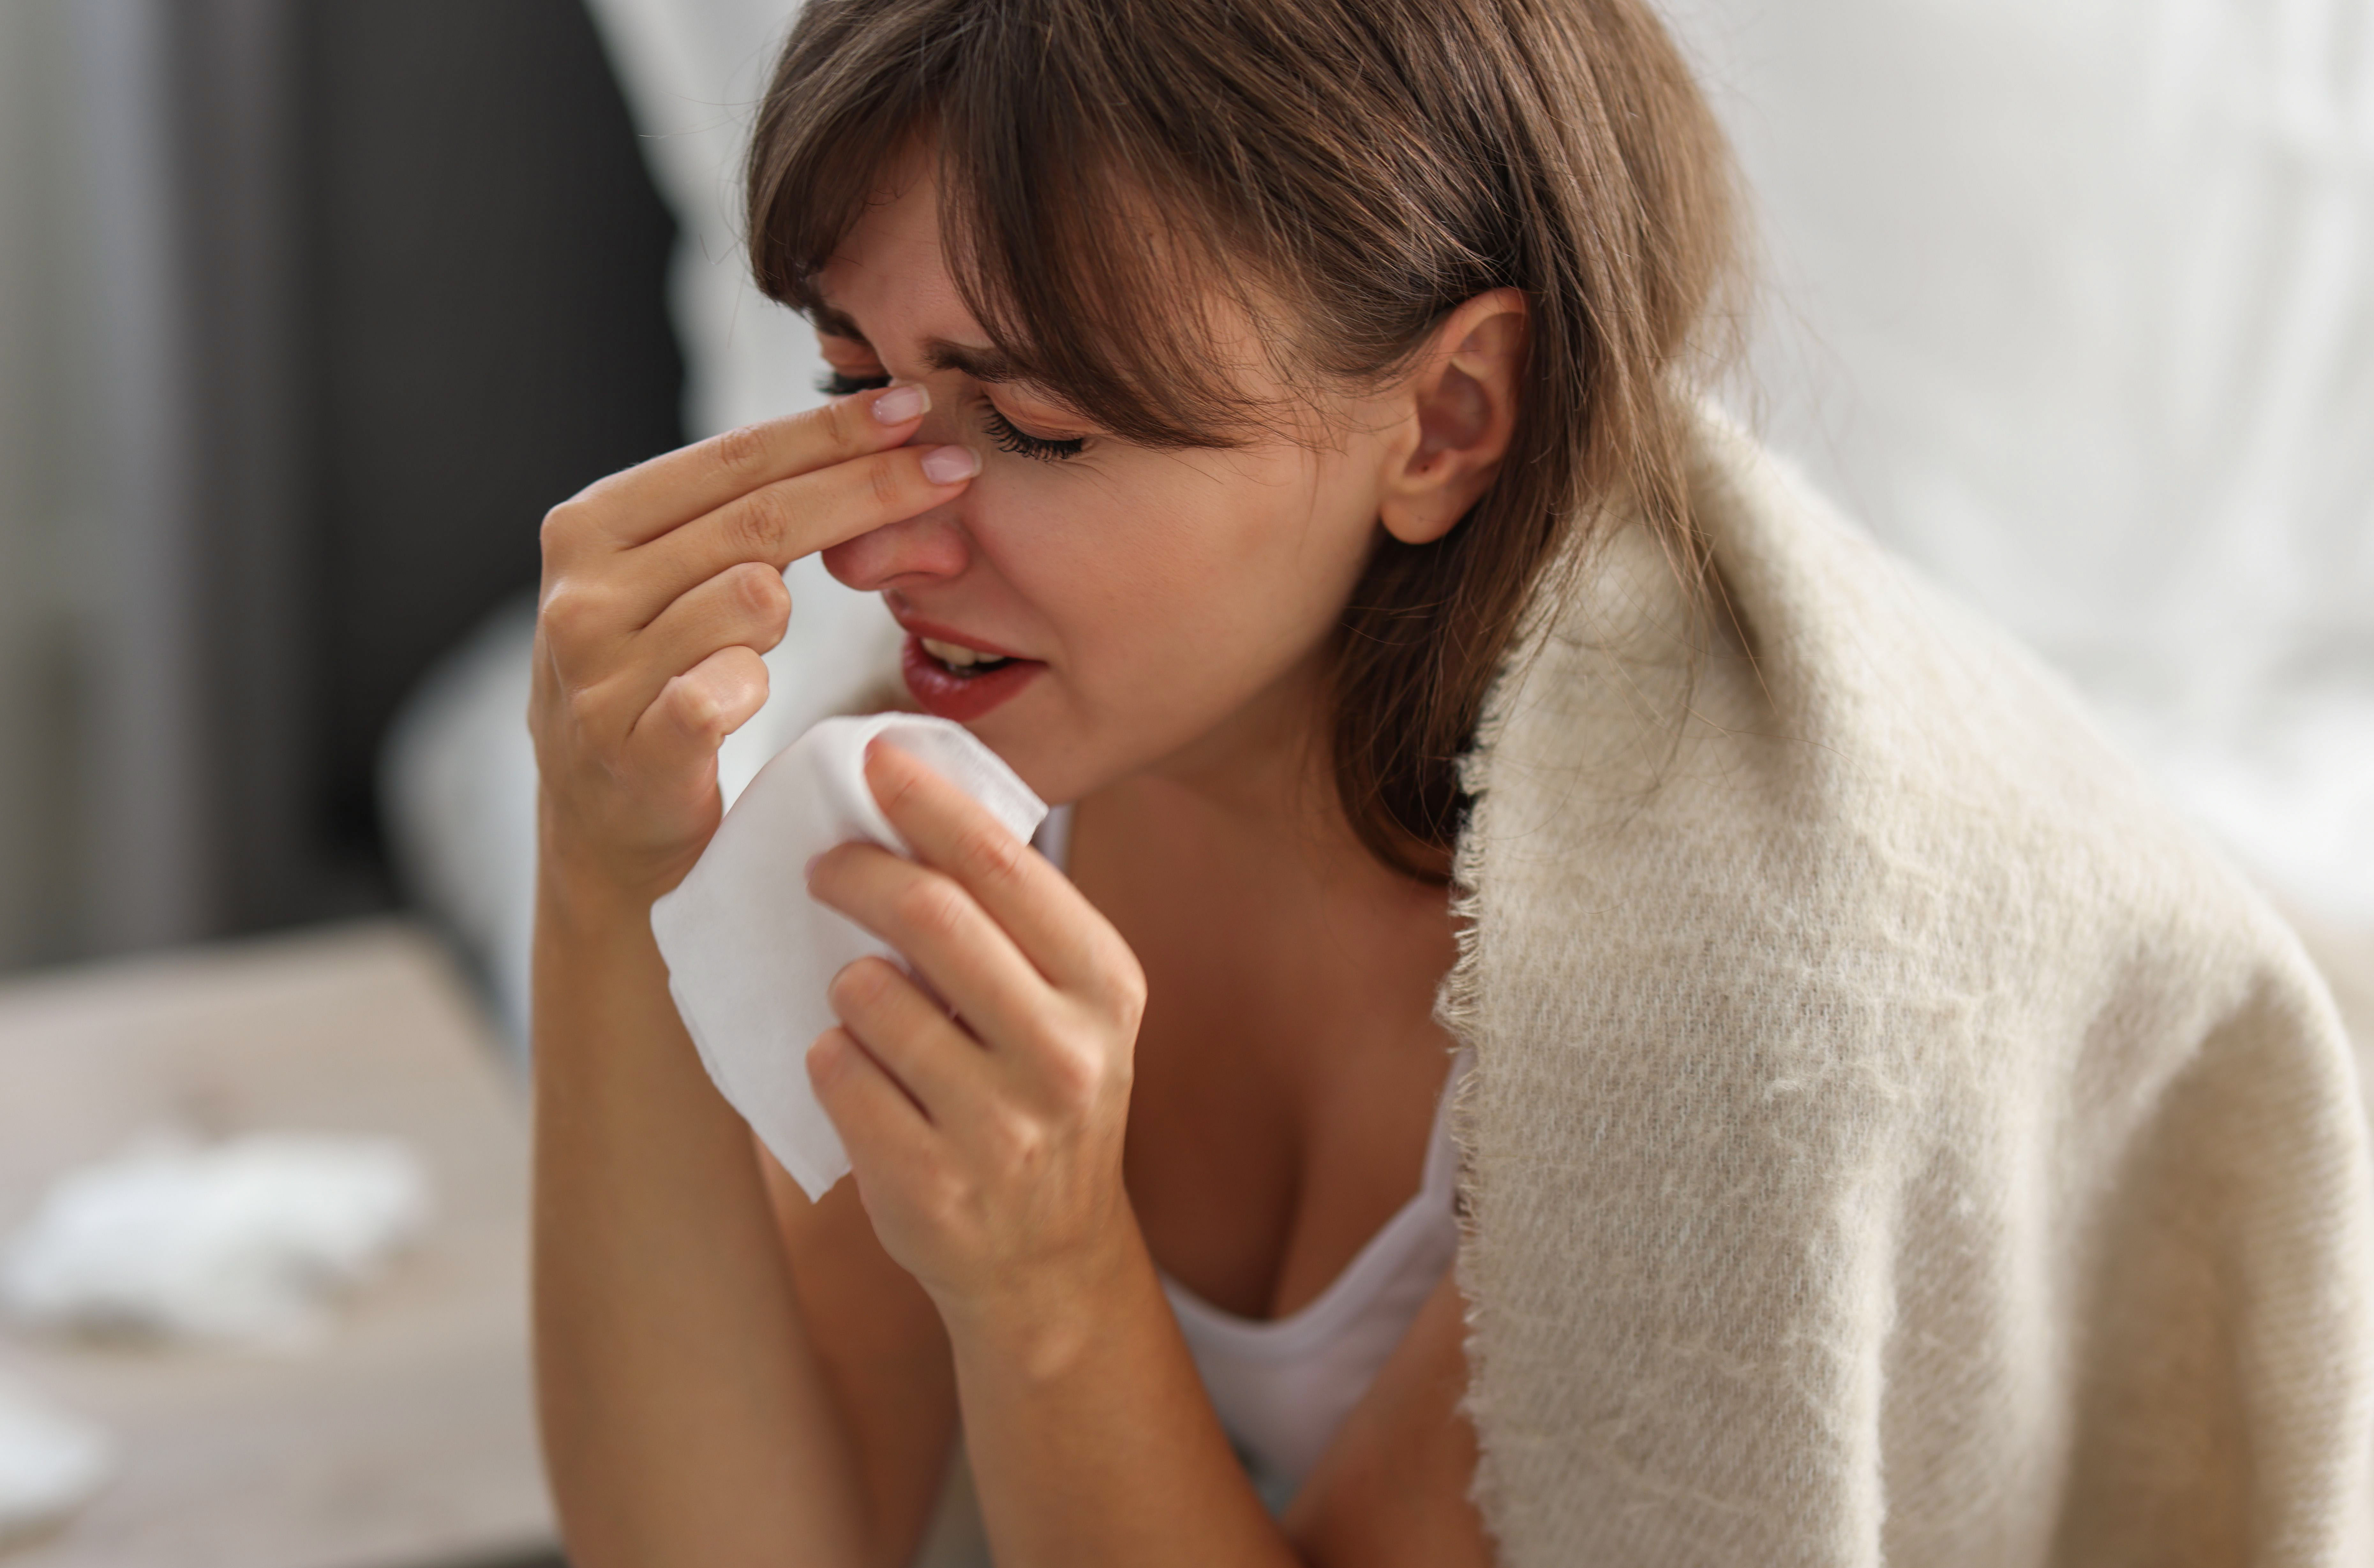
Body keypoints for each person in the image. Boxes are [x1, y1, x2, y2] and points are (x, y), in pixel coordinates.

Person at [527, 0, 2373, 1563]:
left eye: (1036, 427)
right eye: (852, 382)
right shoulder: (1011, 749)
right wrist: (609, 875)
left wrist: (1049, 1291)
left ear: (1448, 417)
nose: (876, 549)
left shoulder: (1723, 1023)